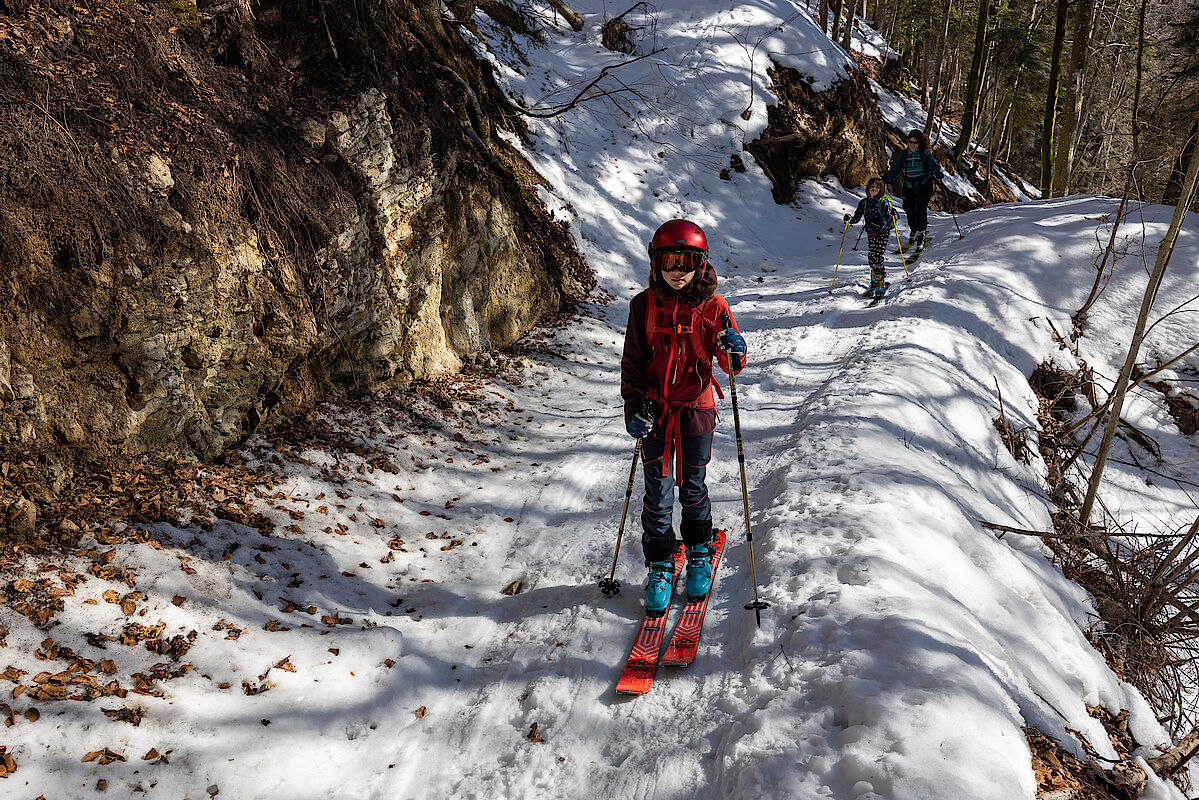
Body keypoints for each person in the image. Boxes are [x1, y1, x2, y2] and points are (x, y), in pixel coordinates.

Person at [620, 219, 746, 617]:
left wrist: (734, 349)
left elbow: (731, 364)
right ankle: (659, 563)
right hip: (655, 409)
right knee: (657, 490)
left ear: (700, 263)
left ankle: (697, 552)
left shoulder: (714, 307)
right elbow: (634, 364)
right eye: (669, 261)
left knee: (692, 485)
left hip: (697, 409)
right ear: (656, 263)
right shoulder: (643, 306)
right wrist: (633, 408)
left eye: (686, 261)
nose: (677, 270)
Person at [883, 129, 943, 249]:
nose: (912, 145)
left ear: (919, 143)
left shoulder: (925, 153)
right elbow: (896, 169)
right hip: (909, 186)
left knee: (920, 208)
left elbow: (932, 166)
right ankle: (914, 229)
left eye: (915, 143)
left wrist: (937, 173)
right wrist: (887, 178)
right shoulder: (904, 154)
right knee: (908, 208)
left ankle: (921, 232)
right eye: (910, 142)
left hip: (924, 185)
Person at [844, 177, 897, 296]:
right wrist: (849, 220)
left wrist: (892, 215)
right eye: (872, 186)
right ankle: (876, 281)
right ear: (868, 188)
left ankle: (879, 284)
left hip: (882, 232)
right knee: (872, 258)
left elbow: (889, 217)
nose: (874, 189)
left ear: (881, 190)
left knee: (877, 257)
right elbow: (856, 218)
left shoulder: (882, 202)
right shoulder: (863, 203)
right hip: (871, 233)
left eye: (877, 187)